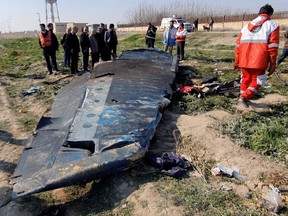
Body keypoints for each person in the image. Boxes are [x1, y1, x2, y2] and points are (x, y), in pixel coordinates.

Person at [234, 4, 279, 108]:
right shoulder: (273, 25)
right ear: (270, 14)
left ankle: (242, 97)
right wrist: (272, 64)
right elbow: (273, 48)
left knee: (245, 79)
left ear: (259, 13)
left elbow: (238, 46)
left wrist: (237, 61)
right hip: (259, 60)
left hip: (244, 59)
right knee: (258, 80)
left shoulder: (245, 27)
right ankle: (245, 97)